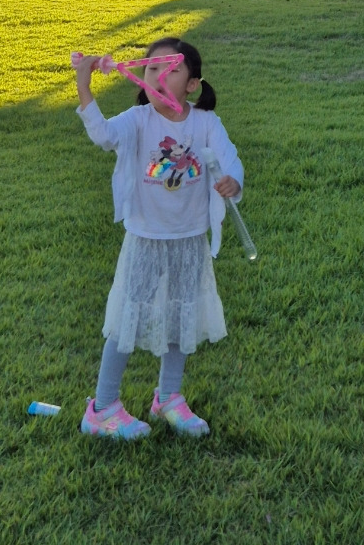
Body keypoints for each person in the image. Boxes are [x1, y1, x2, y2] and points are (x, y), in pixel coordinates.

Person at [71, 35, 244, 441]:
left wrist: (232, 181)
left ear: (192, 85)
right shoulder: (138, 119)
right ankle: (102, 408)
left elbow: (229, 157)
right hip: (146, 238)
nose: (158, 76)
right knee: (127, 317)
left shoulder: (206, 123)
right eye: (152, 69)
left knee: (181, 315)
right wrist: (84, 87)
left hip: (189, 238)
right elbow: (103, 135)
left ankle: (168, 397)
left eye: (171, 69)